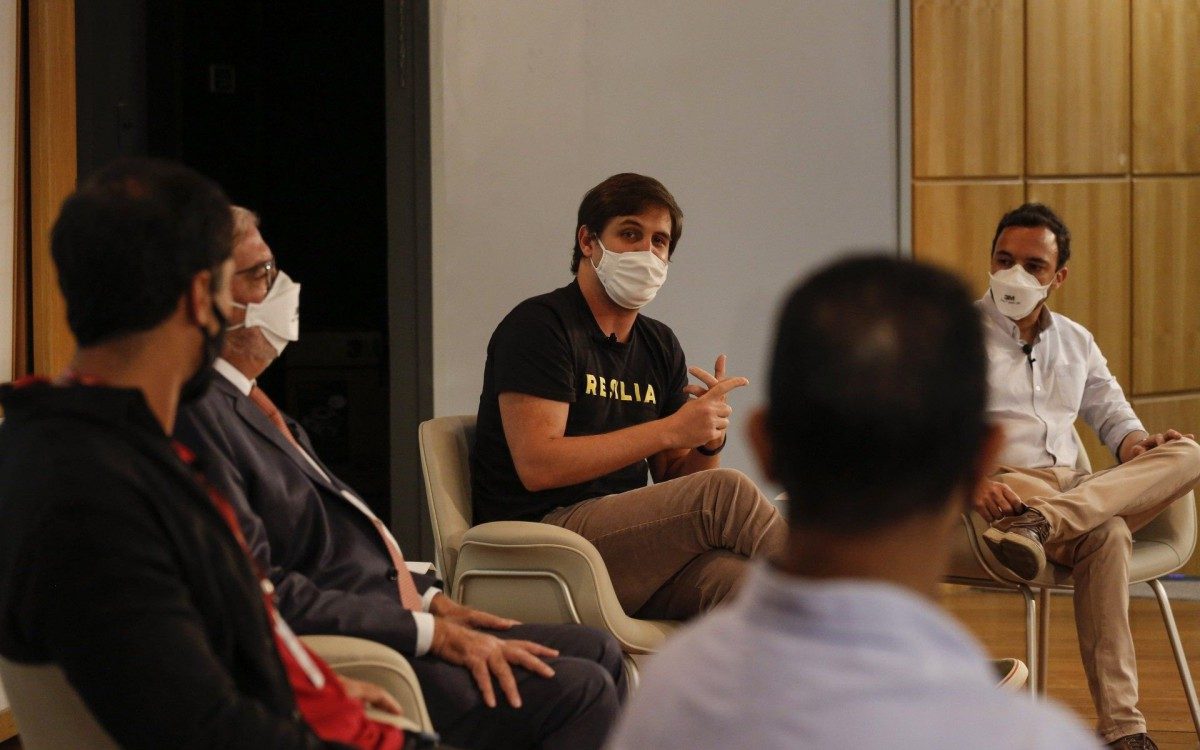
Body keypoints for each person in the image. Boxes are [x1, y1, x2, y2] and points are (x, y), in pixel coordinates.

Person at [606, 255, 1101, 749]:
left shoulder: (667, 694)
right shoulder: (1037, 738)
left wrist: (703, 441)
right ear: (982, 462)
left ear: (764, 446)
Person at [175, 206, 623, 750]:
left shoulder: (253, 404)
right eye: (261, 274)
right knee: (581, 689)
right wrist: (428, 632)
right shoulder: (197, 415)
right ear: (204, 298)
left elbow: (337, 547)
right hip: (364, 643)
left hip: (397, 611)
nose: (281, 289)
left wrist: (432, 601)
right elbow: (266, 588)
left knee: (600, 649)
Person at [0, 159, 411, 749]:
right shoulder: (96, 495)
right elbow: (201, 728)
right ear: (201, 297)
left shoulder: (59, 439)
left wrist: (306, 692)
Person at [471, 173, 786, 620]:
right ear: (588, 241)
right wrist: (668, 429)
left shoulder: (659, 344)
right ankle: (852, 600)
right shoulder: (540, 326)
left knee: (747, 588)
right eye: (630, 234)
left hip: (622, 544)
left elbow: (675, 481)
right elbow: (538, 466)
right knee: (726, 494)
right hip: (541, 538)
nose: (646, 252)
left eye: (659, 241)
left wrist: (705, 439)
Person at [974, 203, 1200, 749]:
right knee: (1110, 533)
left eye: (1033, 265)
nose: (1014, 275)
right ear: (991, 261)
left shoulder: (1076, 340)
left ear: (1058, 277)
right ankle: (1125, 731)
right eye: (1004, 260)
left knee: (1189, 452)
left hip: (1072, 487)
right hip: (1004, 483)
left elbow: (1115, 418)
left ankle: (1043, 524)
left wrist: (1140, 446)